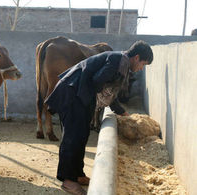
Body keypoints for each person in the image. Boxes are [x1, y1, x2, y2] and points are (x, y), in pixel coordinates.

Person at [45, 40, 153, 195]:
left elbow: (109, 91)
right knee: (72, 137)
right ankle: (68, 181)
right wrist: (104, 100)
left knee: (82, 135)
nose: (141, 68)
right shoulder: (117, 60)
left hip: (80, 95)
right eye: (143, 64)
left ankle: (78, 174)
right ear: (136, 57)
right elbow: (98, 81)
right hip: (73, 93)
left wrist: (121, 112)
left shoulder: (120, 62)